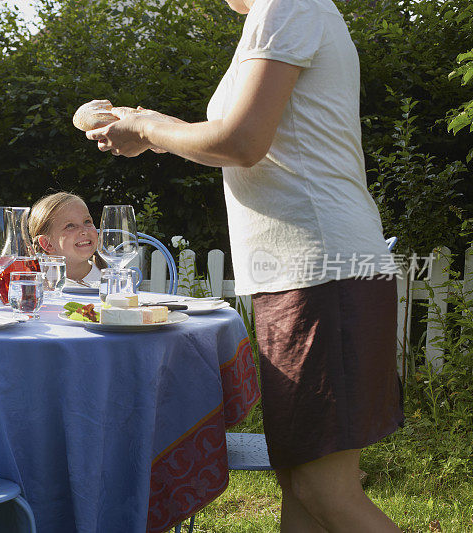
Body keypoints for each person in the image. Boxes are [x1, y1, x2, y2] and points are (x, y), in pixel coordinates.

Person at [83, 0, 404, 530]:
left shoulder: (288, 5)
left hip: (322, 270)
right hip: (303, 273)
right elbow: (242, 140)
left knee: (326, 492)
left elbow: (242, 141)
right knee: (299, 484)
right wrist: (151, 136)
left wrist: (146, 124)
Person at [28, 192, 108, 285]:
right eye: (70, 226)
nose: (84, 231)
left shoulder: (110, 281)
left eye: (87, 221)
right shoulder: (34, 281)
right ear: (47, 244)